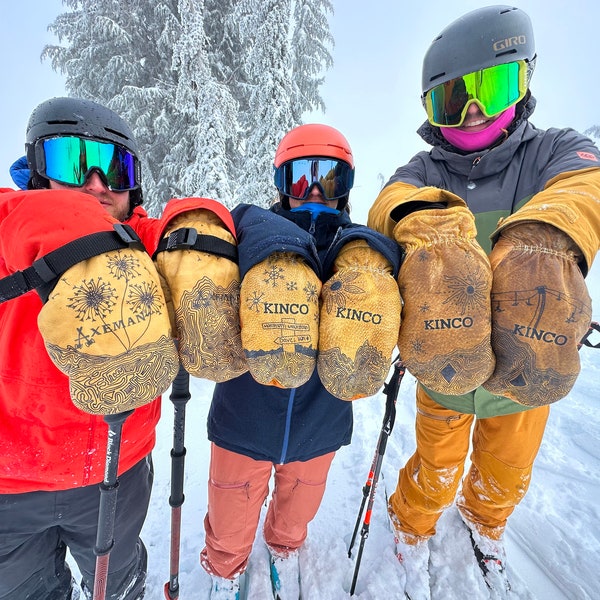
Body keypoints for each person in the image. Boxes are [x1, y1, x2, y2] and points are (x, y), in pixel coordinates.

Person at [367, 5, 600, 600]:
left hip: (523, 374)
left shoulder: (552, 153)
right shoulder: (423, 169)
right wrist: (425, 228)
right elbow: (389, 203)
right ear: (432, 114)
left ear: (522, 84)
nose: (472, 112)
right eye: (453, 100)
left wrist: (548, 233)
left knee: (506, 472)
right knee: (435, 465)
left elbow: (587, 183)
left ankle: (485, 521)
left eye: (489, 89)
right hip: (443, 371)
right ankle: (412, 522)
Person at [0, 97, 237, 600]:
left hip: (118, 467)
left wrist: (204, 225)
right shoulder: (10, 232)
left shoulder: (141, 242)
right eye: (71, 162)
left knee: (120, 580)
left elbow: (188, 220)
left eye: (115, 168)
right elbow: (11, 217)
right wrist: (70, 231)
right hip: (10, 488)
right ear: (36, 172)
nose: (96, 185)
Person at [200, 124, 402, 599]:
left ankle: (283, 549)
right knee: (229, 520)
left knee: (297, 510)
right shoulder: (247, 238)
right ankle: (225, 569)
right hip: (243, 420)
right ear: (281, 183)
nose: (313, 191)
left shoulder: (358, 251)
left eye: (329, 179)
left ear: (346, 188)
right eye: (299, 178)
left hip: (319, 421)